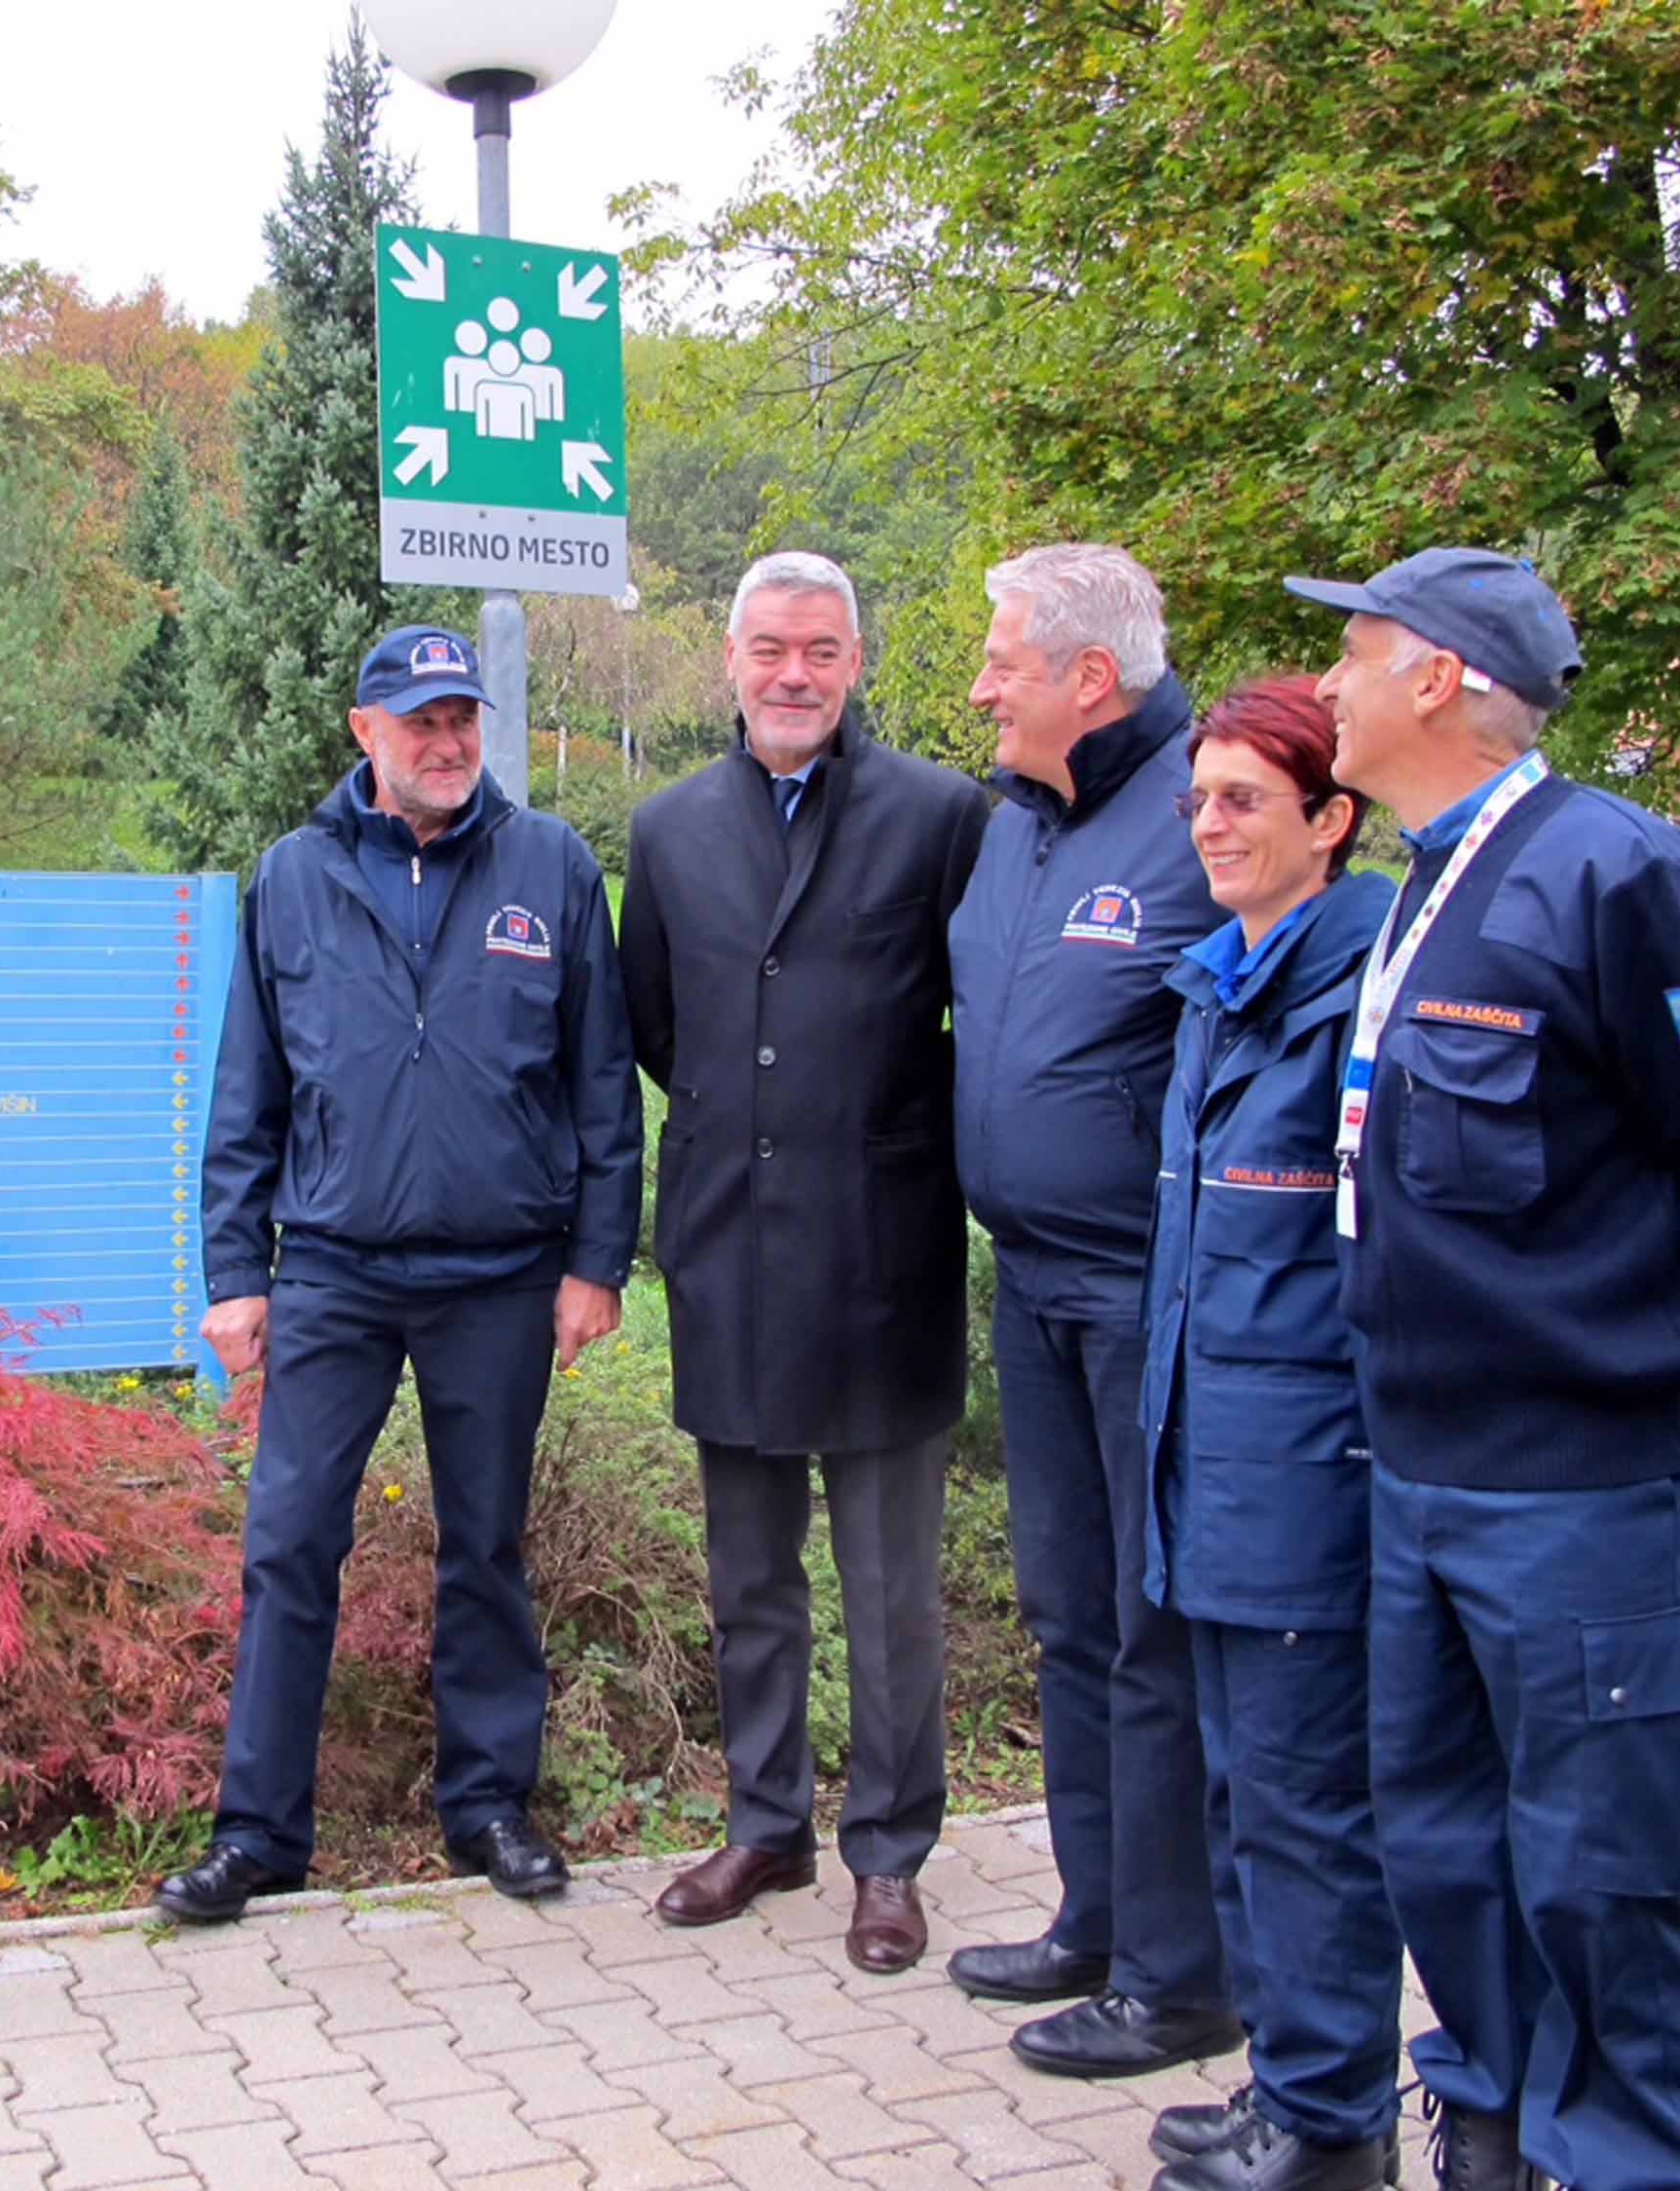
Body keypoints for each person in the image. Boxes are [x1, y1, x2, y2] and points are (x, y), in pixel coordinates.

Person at [1283, 549, 1680, 2191]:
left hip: (1587, 1494)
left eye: (1356, 655)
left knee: (1610, 1878)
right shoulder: (1432, 883)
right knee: (1447, 1846)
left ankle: (1629, 2159)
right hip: (1427, 1482)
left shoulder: (1620, 879)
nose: (1331, 686)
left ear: (1440, 678)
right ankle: (1507, 2128)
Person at [158, 623, 644, 1924]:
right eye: (420, 722)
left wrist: (599, 1258)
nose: (448, 743)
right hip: (332, 1270)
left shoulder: (553, 865)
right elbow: (243, 1093)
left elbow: (604, 1086)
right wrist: (234, 1270)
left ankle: (488, 1804)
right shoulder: (292, 877)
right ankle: (259, 1830)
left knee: (486, 1543)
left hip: (500, 1273)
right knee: (290, 1540)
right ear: (365, 733)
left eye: (463, 720)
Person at [616, 550, 989, 1976]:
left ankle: (889, 1852)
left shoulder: (940, 817)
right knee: (750, 1575)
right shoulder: (669, 830)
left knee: (891, 1590)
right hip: (729, 1247)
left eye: (819, 650)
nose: (793, 673)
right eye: (769, 647)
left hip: (884, 1252)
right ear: (729, 660)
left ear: (855, 663)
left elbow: (977, 1014)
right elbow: (662, 1025)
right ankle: (765, 1819)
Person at [943, 542, 1238, 2078]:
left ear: (1087, 679)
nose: (981, 683)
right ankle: (1095, 1914)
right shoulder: (1017, 823)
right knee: (1067, 1613)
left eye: (1003, 657)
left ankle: (1185, 1973)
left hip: (1144, 1291)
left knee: (1151, 1626)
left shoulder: (1199, 808)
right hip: (1033, 1282)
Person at [1133, 676, 1402, 2191]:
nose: (1212, 826)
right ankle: (1291, 2081)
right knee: (1251, 1800)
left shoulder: (1358, 995)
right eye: (1199, 799)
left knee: (1307, 1817)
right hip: (1212, 1466)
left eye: (1245, 798)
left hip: (1304, 1485)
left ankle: (1330, 2129)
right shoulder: (1226, 978)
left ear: (1330, 818)